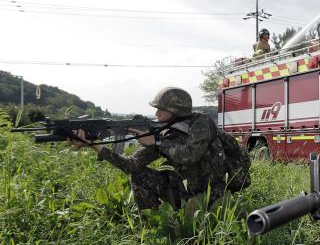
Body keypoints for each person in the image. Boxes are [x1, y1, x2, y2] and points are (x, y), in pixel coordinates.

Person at [72, 87, 246, 211]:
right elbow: (131, 165)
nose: (156, 114)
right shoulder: (163, 132)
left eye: (161, 110)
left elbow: (190, 155)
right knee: (137, 174)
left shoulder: (201, 123)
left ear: (175, 110)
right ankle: (154, 229)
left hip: (210, 197)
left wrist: (156, 142)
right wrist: (95, 145)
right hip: (182, 193)